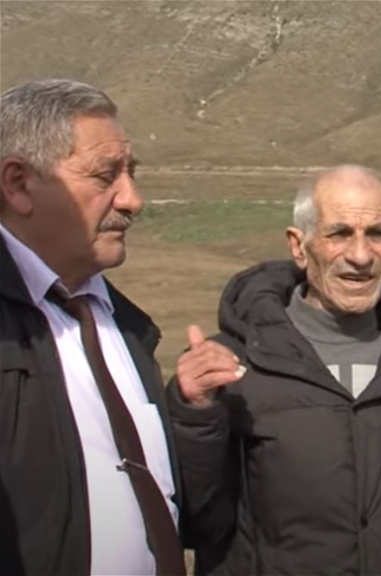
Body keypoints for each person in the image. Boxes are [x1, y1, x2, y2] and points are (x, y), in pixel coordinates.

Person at [167, 164, 381, 575]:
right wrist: (194, 415)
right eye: (339, 234)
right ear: (299, 246)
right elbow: (199, 522)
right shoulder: (229, 369)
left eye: (377, 234)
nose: (360, 256)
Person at [0, 79, 184, 575]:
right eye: (106, 177)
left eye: (131, 174)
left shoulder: (127, 327)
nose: (133, 201)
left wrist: (198, 417)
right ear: (18, 185)